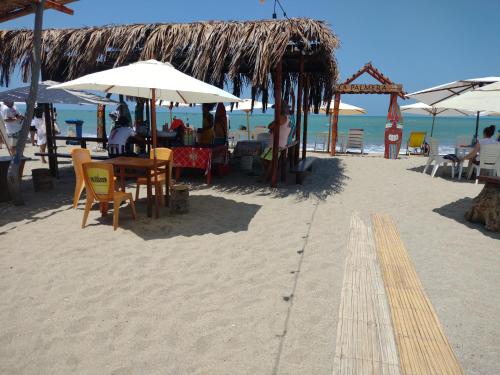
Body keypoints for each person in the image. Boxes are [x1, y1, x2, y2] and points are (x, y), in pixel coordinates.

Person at [260, 100, 291, 179]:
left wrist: (273, 126)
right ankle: (270, 173)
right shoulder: (288, 118)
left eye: (277, 109)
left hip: (275, 145)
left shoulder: (280, 117)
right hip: (282, 144)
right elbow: (275, 128)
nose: (275, 111)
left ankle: (268, 175)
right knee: (268, 160)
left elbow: (269, 126)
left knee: (263, 158)